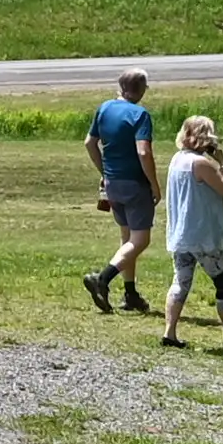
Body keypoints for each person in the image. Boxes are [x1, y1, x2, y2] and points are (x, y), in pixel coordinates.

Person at [154, 113, 223, 356]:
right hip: (202, 236)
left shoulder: (176, 159)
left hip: (182, 235)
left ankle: (169, 332)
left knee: (181, 281)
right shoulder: (200, 164)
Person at [81, 73, 156, 314]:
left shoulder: (104, 108)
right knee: (140, 240)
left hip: (112, 184)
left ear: (121, 87)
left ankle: (130, 292)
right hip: (134, 183)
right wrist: (154, 184)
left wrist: (104, 171)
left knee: (127, 239)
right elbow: (143, 152)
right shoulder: (140, 115)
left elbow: (90, 143)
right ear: (142, 89)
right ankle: (102, 278)